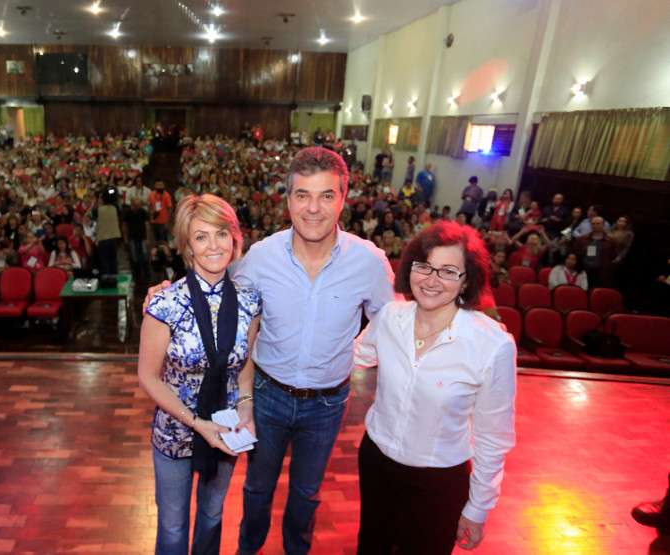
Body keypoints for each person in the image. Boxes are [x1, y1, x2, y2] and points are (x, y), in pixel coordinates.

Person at [144, 148, 397, 554]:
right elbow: (214, 278)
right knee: (257, 490)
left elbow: (393, 325)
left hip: (327, 404)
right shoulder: (262, 256)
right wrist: (164, 292)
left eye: (326, 196)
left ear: (343, 199)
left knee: (307, 495)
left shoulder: (369, 261)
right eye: (302, 195)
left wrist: (357, 355)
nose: (313, 208)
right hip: (267, 396)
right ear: (288, 199)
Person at [354, 221, 517, 554]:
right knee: (371, 546)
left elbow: (492, 436)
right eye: (424, 266)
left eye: (447, 271)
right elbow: (350, 358)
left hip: (439, 481)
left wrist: (477, 508)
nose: (431, 280)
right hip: (377, 462)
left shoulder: (492, 344)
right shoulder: (390, 318)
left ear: (467, 280)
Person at [139, 194, 262, 555]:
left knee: (211, 516)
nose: (214, 245)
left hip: (225, 430)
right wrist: (196, 423)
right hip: (176, 431)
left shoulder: (249, 300)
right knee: (174, 527)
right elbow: (148, 377)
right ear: (188, 246)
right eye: (201, 236)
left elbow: (245, 362)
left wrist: (246, 406)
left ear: (235, 239)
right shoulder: (165, 303)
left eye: (221, 233)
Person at [572, 216, 617, 288]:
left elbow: (613, 254)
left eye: (598, 223)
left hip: (601, 271)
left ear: (603, 225)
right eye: (593, 224)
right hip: (584, 270)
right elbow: (576, 251)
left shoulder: (611, 240)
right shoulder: (581, 238)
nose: (595, 225)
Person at [95, 190, 121, 275]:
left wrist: (92, 205)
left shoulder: (98, 210)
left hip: (103, 238)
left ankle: (107, 279)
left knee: (105, 261)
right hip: (114, 237)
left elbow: (89, 215)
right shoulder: (115, 208)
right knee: (113, 260)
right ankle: (115, 278)